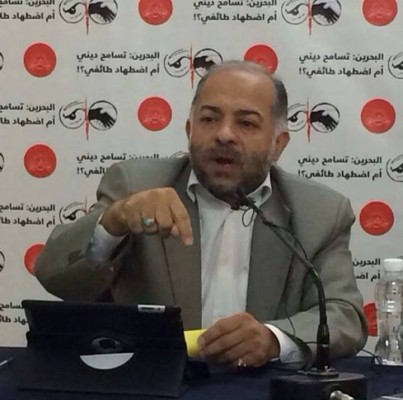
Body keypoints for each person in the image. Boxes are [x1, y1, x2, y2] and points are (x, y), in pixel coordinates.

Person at [35, 60, 367, 368]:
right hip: (155, 379)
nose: (224, 134)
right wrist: (114, 222)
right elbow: (55, 277)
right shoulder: (135, 186)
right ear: (189, 129)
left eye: (246, 123)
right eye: (209, 119)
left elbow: (345, 315)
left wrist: (274, 339)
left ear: (278, 143)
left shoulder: (320, 212)